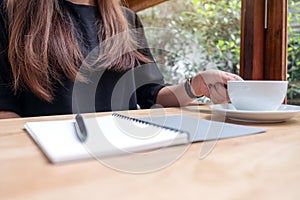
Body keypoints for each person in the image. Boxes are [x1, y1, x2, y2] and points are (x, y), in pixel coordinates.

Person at [0, 0, 242, 119]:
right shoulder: (12, 12)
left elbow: (151, 94)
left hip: (122, 151)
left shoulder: (127, 19)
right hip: (48, 161)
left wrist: (195, 85)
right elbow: (5, 107)